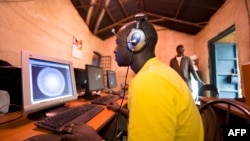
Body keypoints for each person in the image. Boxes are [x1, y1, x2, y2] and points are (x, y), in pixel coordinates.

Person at [60, 13, 204, 141]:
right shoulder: (158, 71)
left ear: (135, 43)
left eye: (118, 43)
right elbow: (149, 121)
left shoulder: (148, 81)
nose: (114, 50)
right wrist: (120, 110)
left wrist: (92, 139)